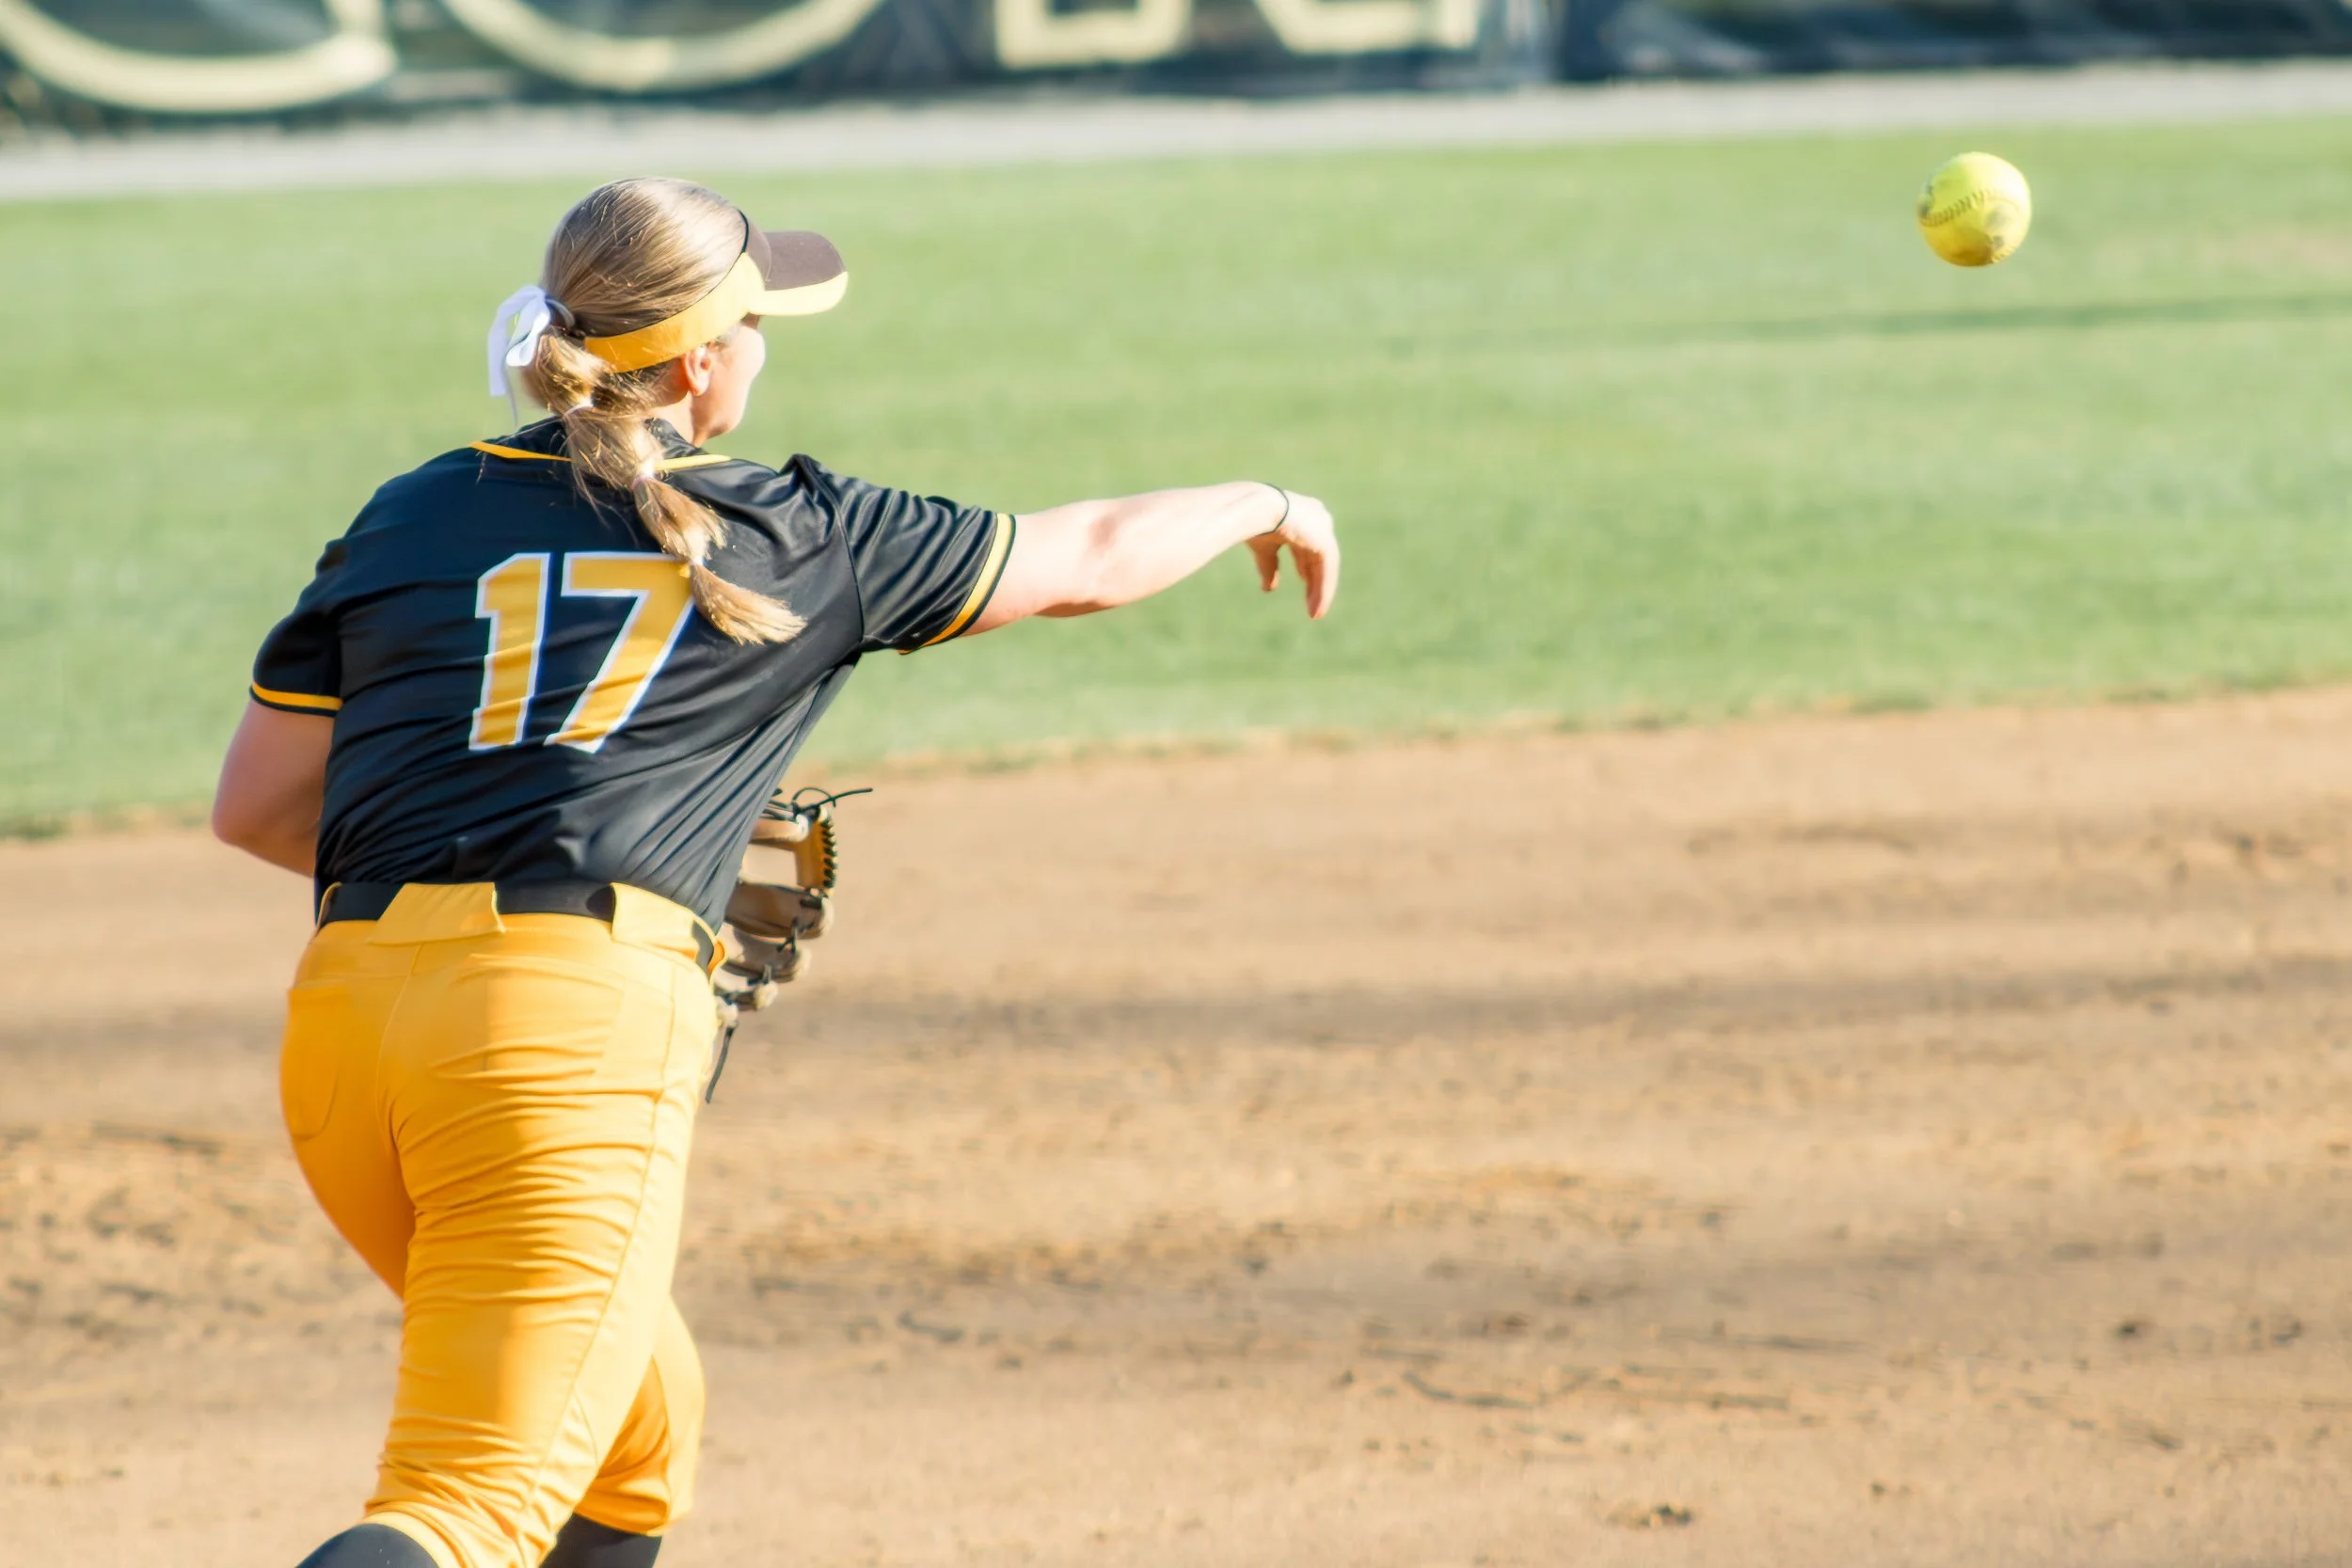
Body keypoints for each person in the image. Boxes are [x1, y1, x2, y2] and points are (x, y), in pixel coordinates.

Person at [209, 175, 1338, 1568]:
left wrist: (516, 826)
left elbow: (259, 807)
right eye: (760, 320)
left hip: (349, 1035)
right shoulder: (801, 534)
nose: (766, 344)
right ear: (700, 362)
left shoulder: (411, 511)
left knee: (632, 1448)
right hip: (557, 1054)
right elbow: (1093, 555)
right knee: (463, 1511)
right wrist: (1266, 498)